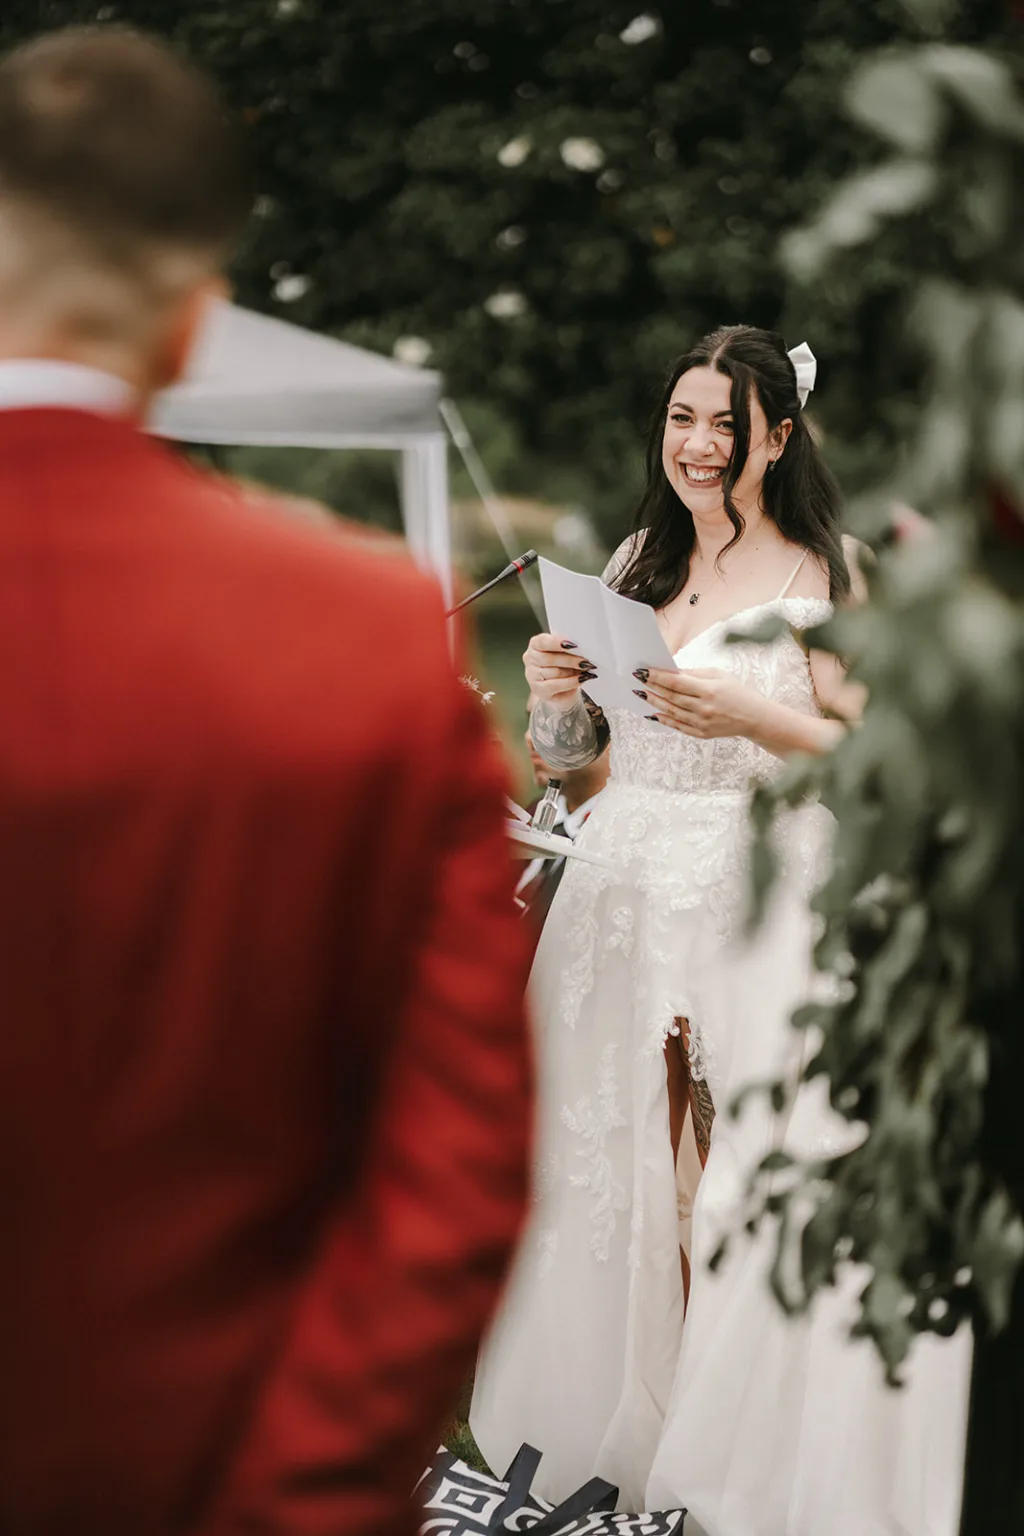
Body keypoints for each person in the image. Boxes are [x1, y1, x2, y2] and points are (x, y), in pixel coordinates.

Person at [0, 27, 532, 1536]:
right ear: (194, 327)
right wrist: (298, 1496)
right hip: (240, 1477)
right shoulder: (370, 643)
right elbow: (458, 1166)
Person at [471, 326, 971, 1534]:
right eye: (682, 419)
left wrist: (747, 710)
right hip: (624, 886)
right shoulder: (637, 561)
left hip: (763, 895)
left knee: (733, 1171)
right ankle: (602, 1445)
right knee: (615, 1169)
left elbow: (880, 760)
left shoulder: (828, 573)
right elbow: (577, 770)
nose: (699, 446)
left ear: (778, 439)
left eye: (726, 426)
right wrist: (556, 703)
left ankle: (734, 1449)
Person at [516, 691, 611, 927]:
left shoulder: (615, 840)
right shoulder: (525, 814)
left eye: (551, 720)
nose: (530, 737)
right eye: (530, 721)